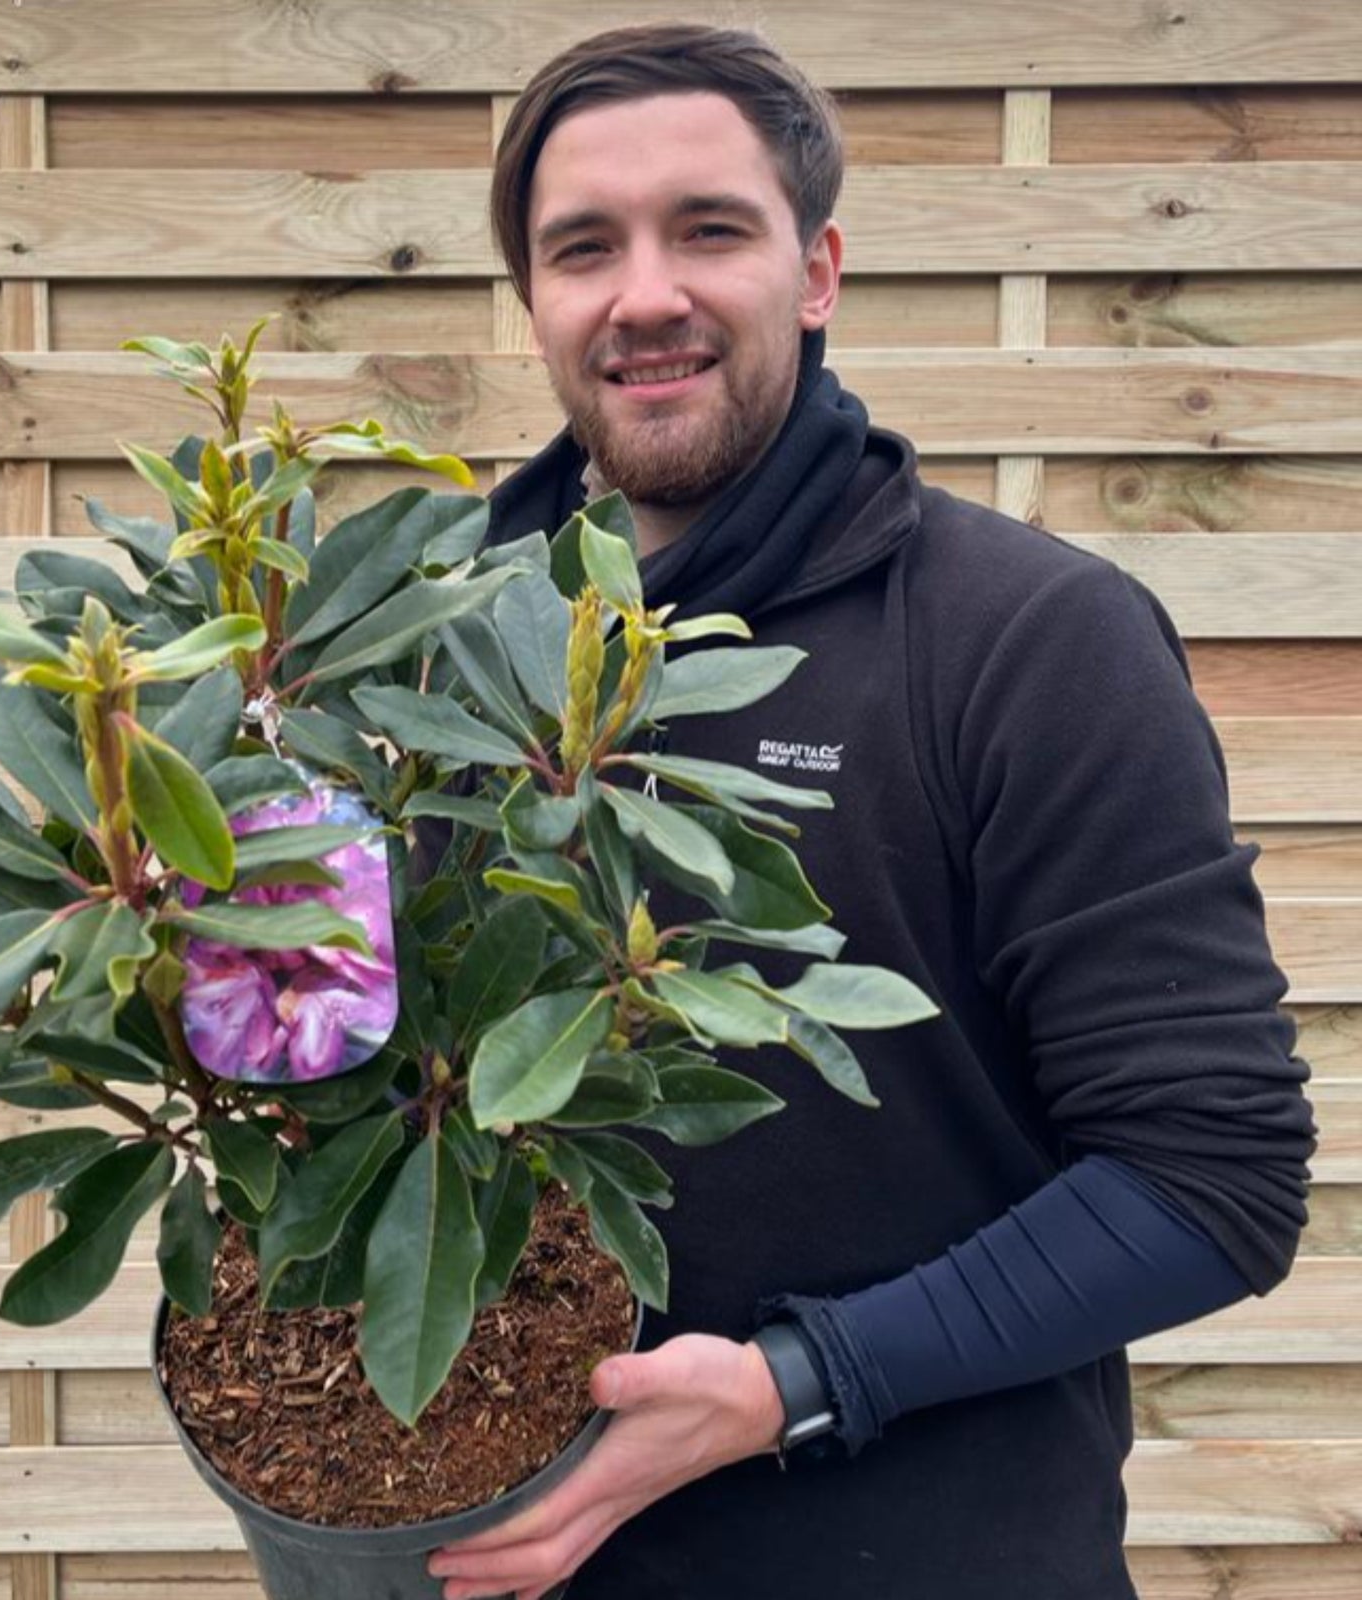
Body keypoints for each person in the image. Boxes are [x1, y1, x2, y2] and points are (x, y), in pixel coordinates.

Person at [426, 24, 1316, 1600]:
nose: (646, 294)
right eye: (585, 249)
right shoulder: (427, 650)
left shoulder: (1028, 640)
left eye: (710, 229)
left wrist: (786, 1386)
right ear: (536, 302)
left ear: (817, 269)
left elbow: (1211, 1180)